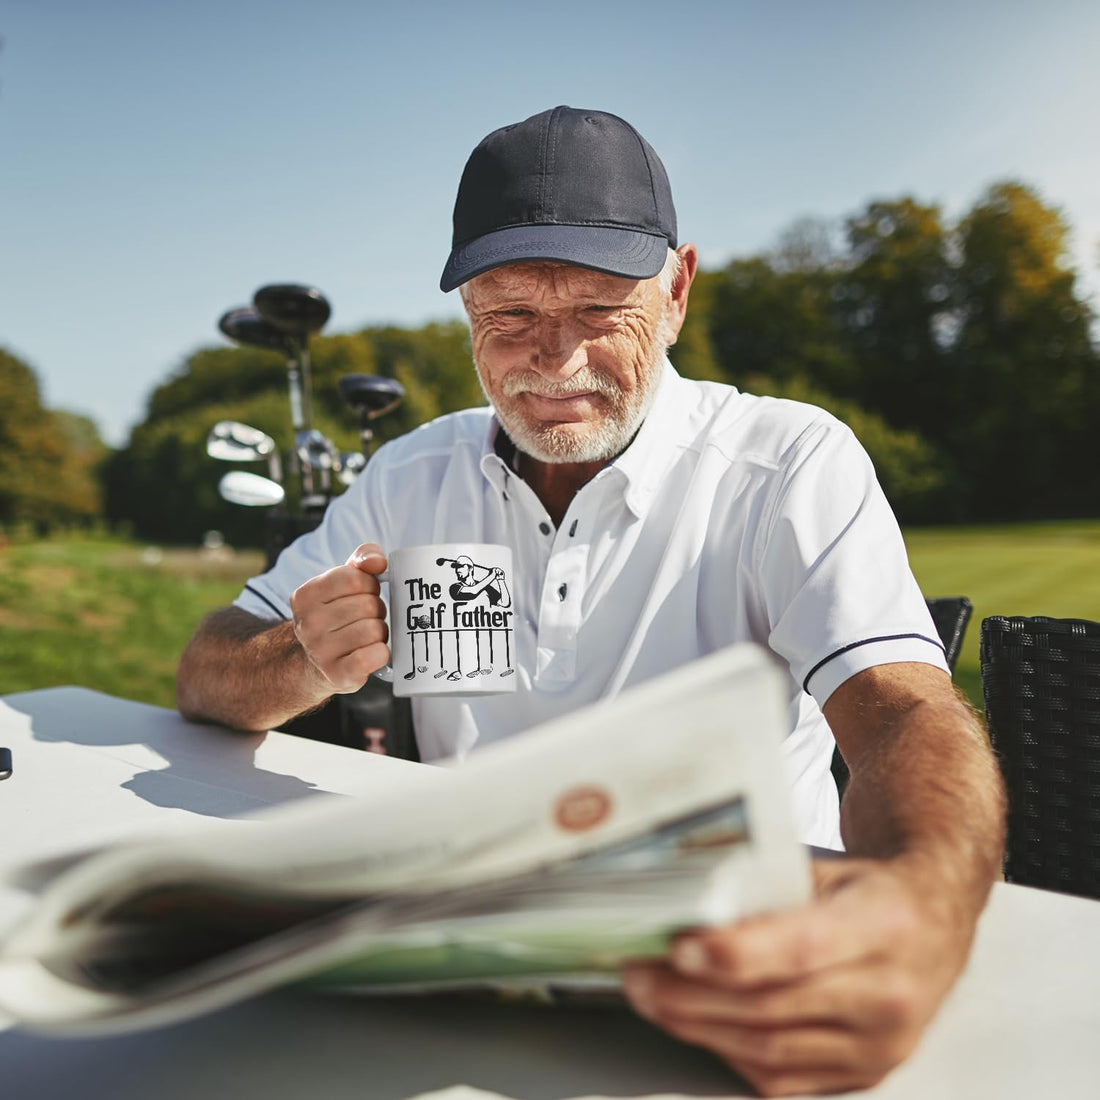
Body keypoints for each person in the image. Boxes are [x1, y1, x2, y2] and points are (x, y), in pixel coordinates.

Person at [177, 106, 1005, 1096]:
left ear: (678, 288)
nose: (553, 361)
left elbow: (903, 709)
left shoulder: (784, 460)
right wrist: (303, 656)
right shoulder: (410, 473)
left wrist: (921, 908)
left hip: (739, 971)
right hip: (476, 966)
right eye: (510, 314)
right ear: (466, 311)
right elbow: (207, 671)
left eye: (599, 310)